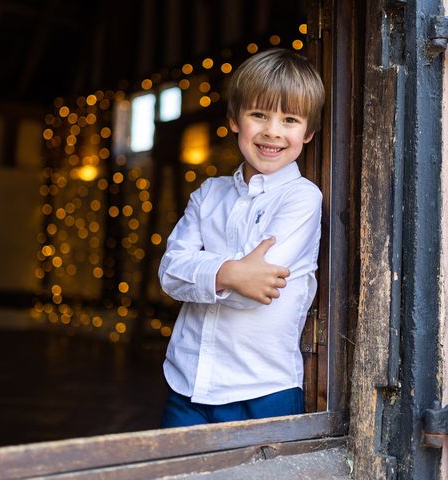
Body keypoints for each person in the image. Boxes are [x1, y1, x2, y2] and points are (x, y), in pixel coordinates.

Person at [158, 48, 325, 427]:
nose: (273, 131)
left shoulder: (302, 198)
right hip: (186, 382)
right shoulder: (208, 194)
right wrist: (233, 273)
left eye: (290, 119)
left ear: (309, 132)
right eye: (259, 114)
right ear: (235, 120)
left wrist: (204, 272)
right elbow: (169, 273)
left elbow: (260, 289)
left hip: (263, 388)